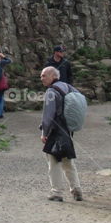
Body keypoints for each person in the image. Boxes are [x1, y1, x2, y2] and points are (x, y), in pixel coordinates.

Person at [40, 66, 82, 201]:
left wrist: (44, 132)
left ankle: (56, 192)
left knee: (53, 160)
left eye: (44, 75)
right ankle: (76, 189)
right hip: (67, 129)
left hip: (55, 129)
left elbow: (48, 115)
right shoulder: (69, 87)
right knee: (67, 159)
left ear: (53, 76)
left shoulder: (51, 92)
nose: (41, 78)